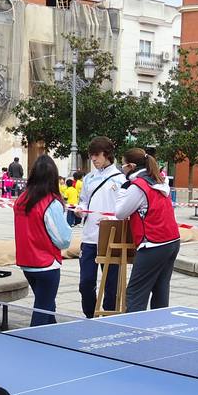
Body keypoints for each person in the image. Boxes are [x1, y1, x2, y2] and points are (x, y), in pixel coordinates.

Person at [113, 147, 180, 312]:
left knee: (135, 294)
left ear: (131, 166)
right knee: (160, 291)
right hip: (171, 241)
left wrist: (124, 188)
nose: (122, 169)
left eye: (123, 165)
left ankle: (134, 332)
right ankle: (159, 330)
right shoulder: (159, 180)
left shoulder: (138, 186)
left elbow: (120, 212)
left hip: (153, 243)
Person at [13, 154, 71, 326]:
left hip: (26, 261)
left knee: (47, 303)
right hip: (46, 263)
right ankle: (34, 343)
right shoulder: (51, 203)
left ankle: (51, 336)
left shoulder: (21, 200)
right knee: (43, 308)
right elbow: (63, 240)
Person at [75, 136, 124, 318]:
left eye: (97, 155)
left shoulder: (121, 179)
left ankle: (108, 316)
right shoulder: (89, 178)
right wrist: (80, 210)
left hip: (111, 238)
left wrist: (112, 219)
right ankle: (90, 315)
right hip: (89, 238)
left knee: (111, 283)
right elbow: (83, 201)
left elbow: (125, 209)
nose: (93, 160)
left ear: (108, 155)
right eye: (91, 156)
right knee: (85, 283)